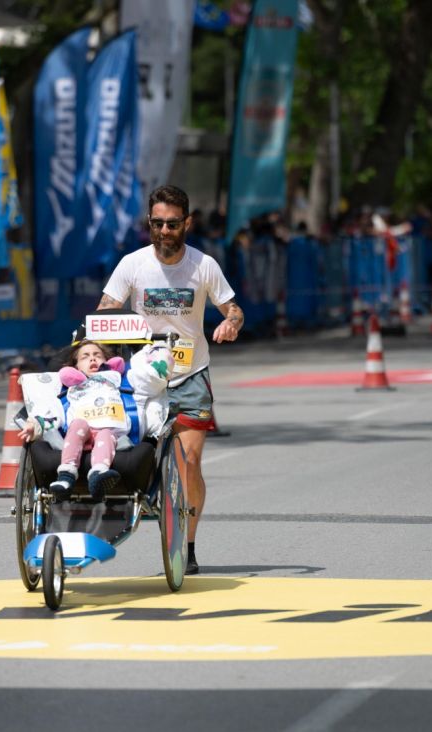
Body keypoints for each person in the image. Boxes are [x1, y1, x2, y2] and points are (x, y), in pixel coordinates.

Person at [98, 184, 244, 575]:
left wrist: (230, 323)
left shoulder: (204, 266)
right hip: (143, 379)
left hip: (190, 375)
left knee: (189, 462)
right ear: (150, 223)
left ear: (187, 223)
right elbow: (107, 308)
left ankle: (188, 544)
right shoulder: (132, 264)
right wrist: (102, 332)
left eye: (173, 224)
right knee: (128, 457)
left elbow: (233, 308)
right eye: (158, 224)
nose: (164, 231)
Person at [20, 340, 129, 502]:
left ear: (108, 363)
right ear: (76, 367)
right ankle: (66, 475)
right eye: (85, 357)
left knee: (106, 433)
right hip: (77, 434)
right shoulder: (68, 392)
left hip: (109, 434)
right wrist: (35, 426)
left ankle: (98, 475)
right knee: (78, 424)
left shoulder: (117, 384)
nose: (92, 359)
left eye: (97, 355)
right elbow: (52, 414)